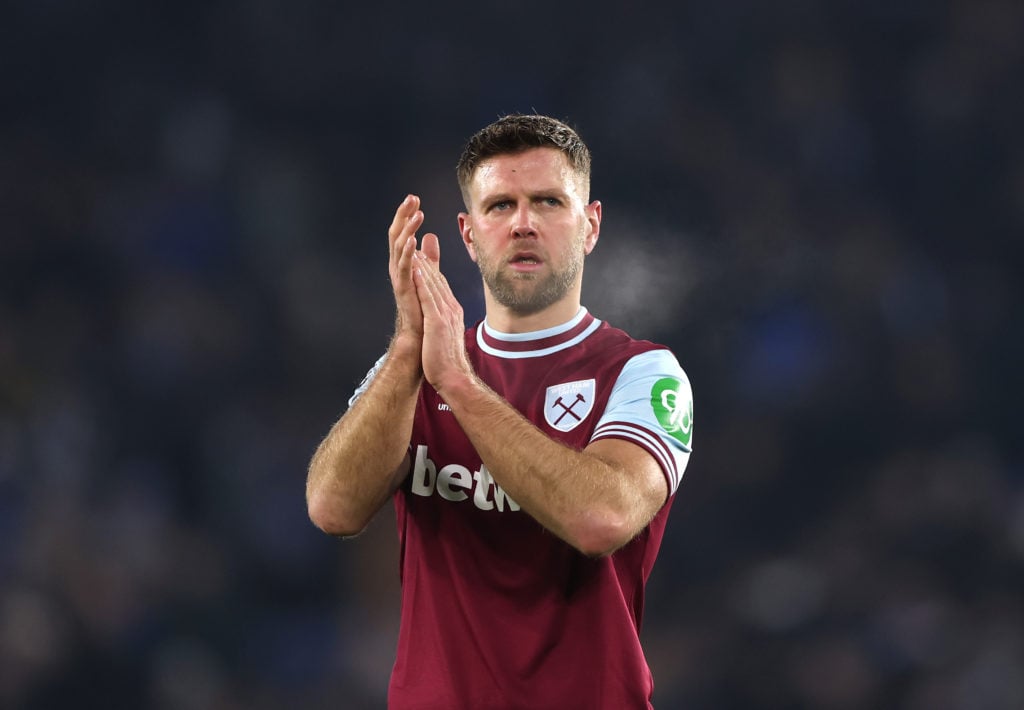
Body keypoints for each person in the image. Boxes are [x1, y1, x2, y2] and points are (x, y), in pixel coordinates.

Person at [306, 114, 694, 709]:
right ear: (467, 233)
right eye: (499, 206)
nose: (522, 224)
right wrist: (408, 348)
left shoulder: (641, 373)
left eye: (547, 202)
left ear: (590, 225)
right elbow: (332, 507)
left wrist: (459, 386)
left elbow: (600, 519)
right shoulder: (414, 367)